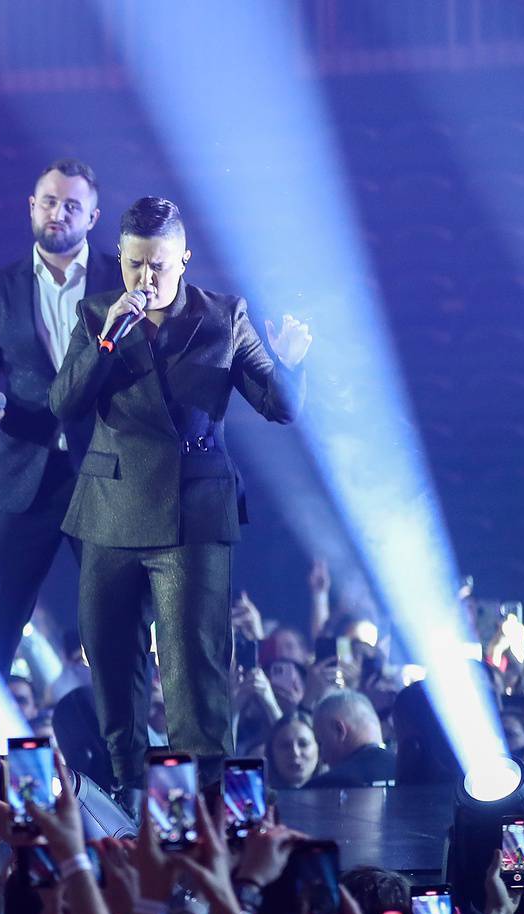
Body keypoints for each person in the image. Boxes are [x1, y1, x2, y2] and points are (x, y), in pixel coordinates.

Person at [49, 196, 311, 798]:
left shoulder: (224, 316)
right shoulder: (97, 316)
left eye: (159, 266)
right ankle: (126, 792)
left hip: (192, 513)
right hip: (110, 509)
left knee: (194, 666)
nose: (147, 279)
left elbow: (279, 408)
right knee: (112, 662)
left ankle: (204, 803)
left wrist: (292, 367)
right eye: (135, 265)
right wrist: (110, 337)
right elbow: (65, 403)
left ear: (184, 259)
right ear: (120, 260)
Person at [0, 159, 122, 671]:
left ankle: (124, 749)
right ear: (31, 206)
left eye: (73, 205)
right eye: (50, 201)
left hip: (103, 474)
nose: (58, 213)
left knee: (116, 625)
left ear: (92, 218)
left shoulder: (121, 280)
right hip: (23, 471)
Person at [307, 689, 398, 788]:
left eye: (321, 743)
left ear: (339, 730)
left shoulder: (324, 787)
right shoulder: (413, 773)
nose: (323, 758)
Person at [266, 709, 320, 790]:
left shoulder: (337, 792)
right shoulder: (257, 797)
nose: (295, 753)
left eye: (303, 744)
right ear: (271, 753)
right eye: (285, 746)